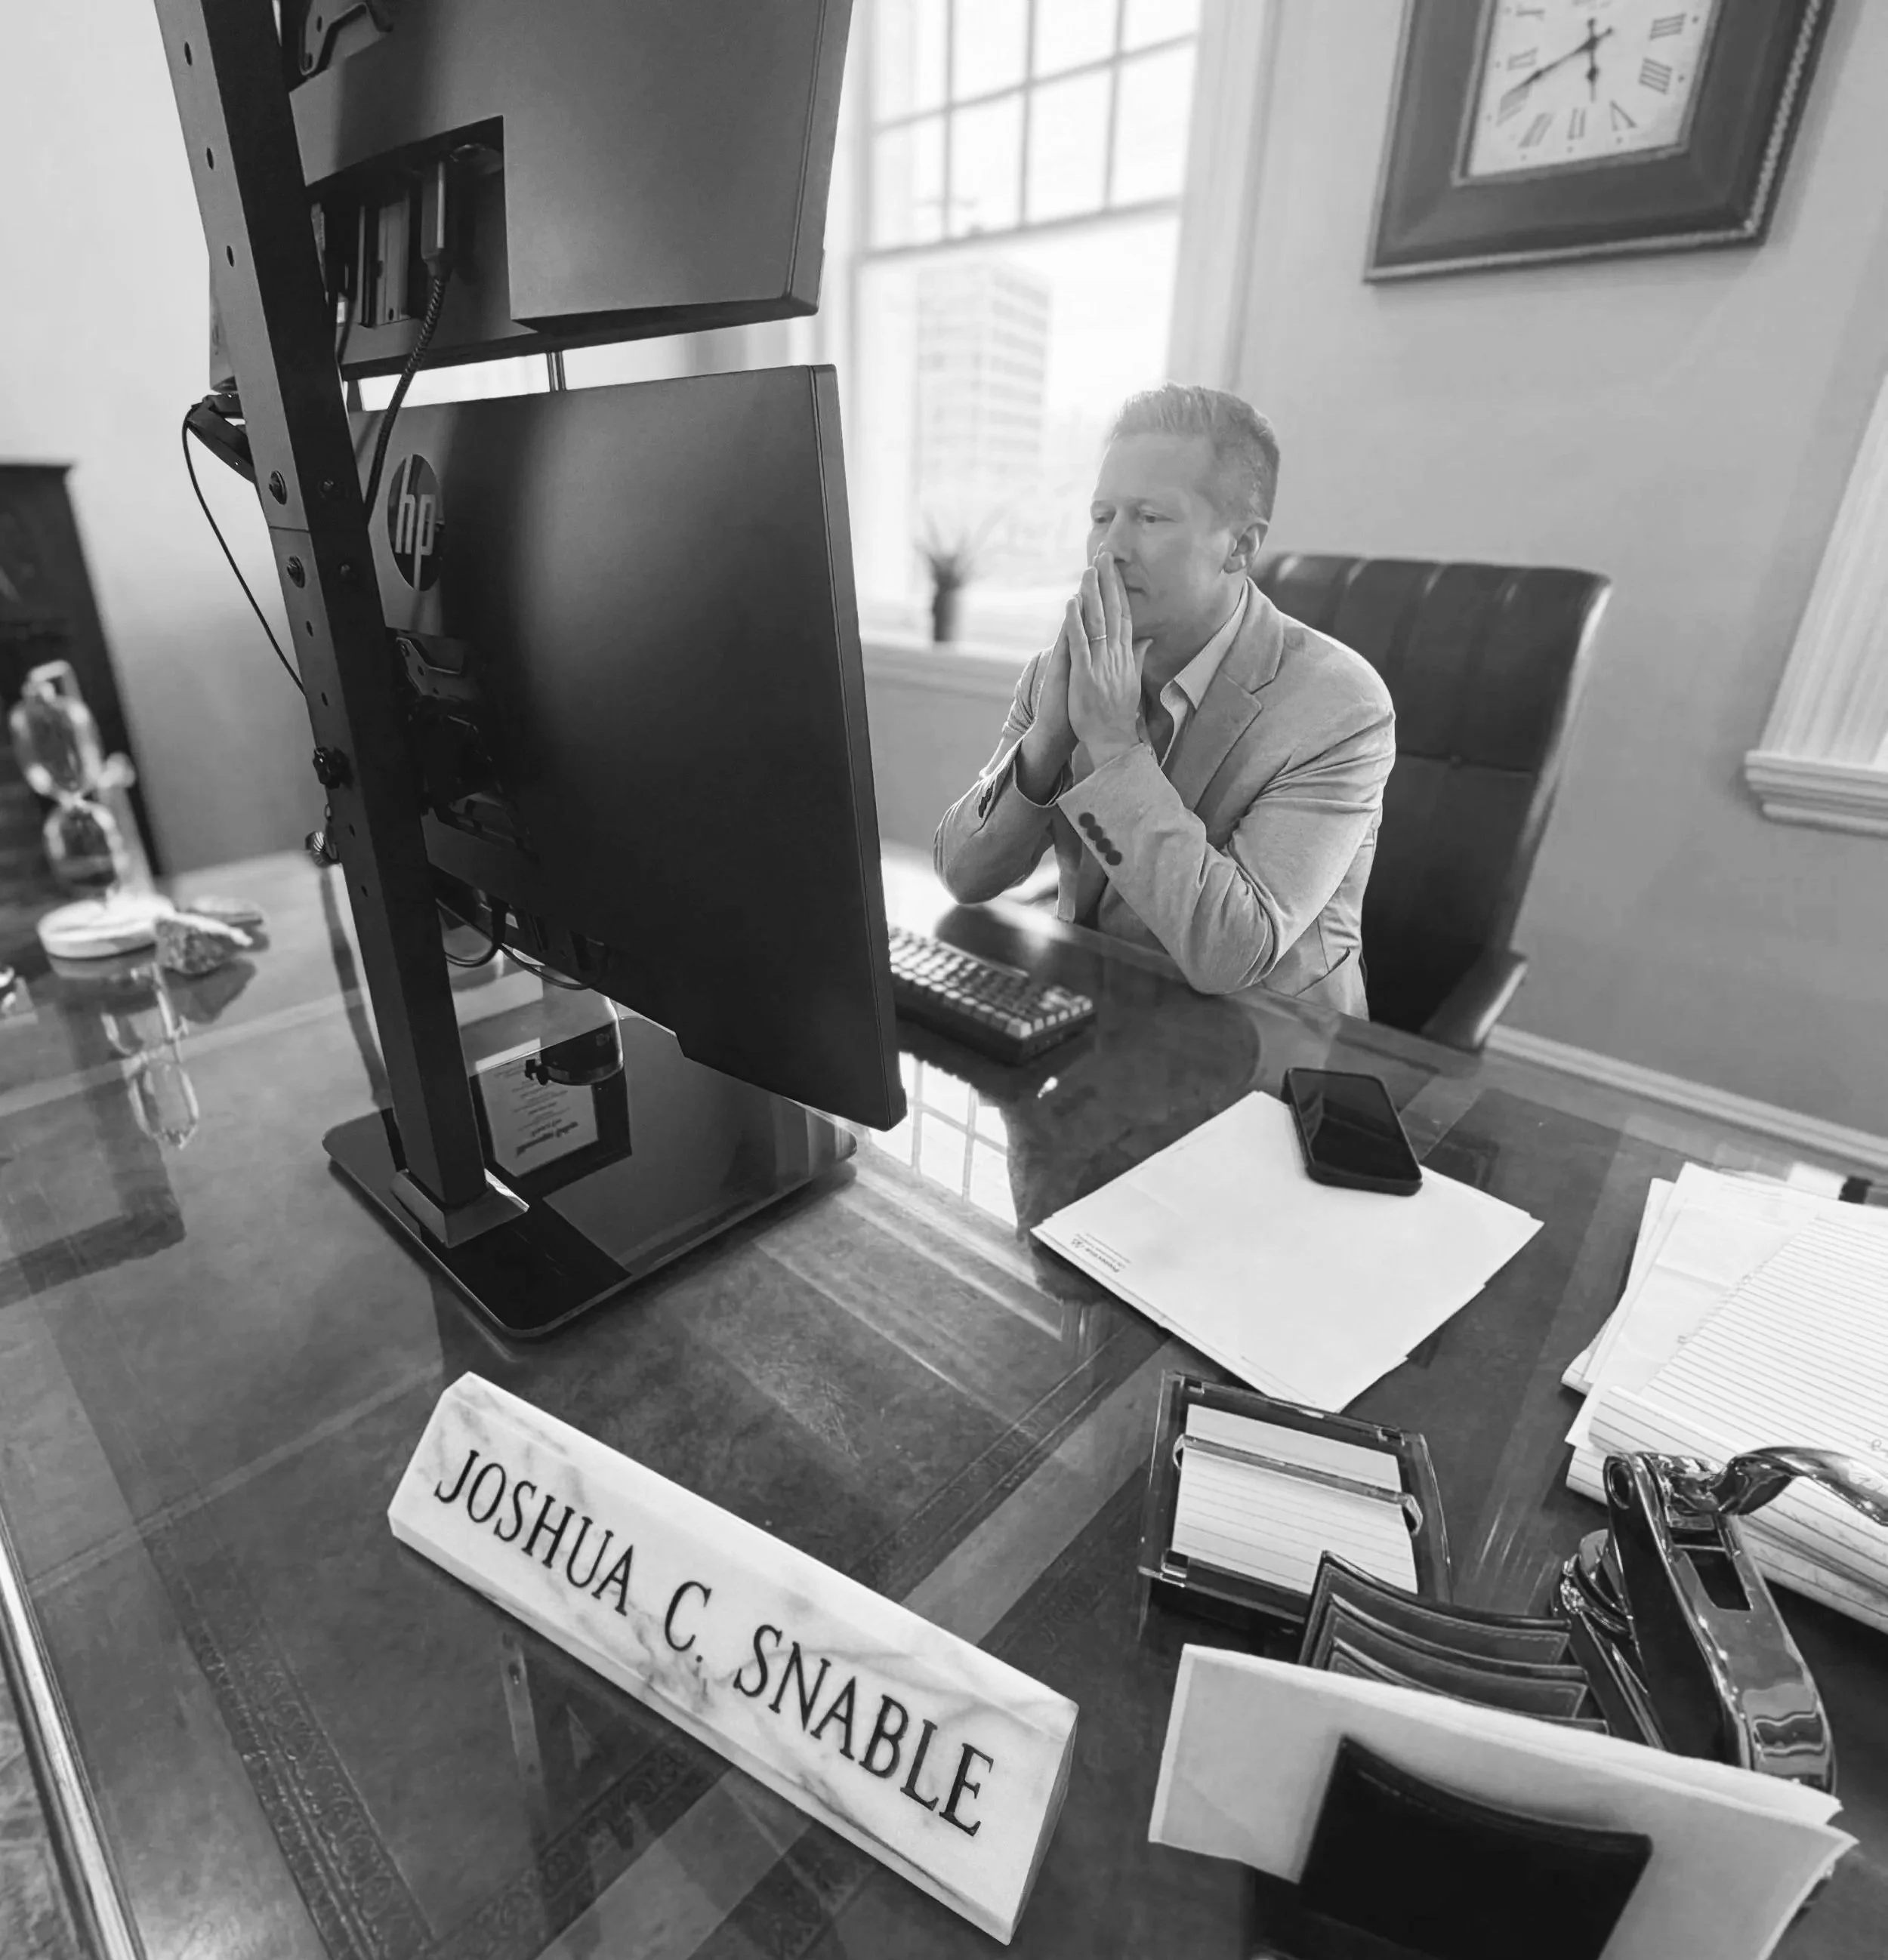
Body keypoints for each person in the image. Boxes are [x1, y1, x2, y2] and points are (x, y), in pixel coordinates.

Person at [933, 385, 1393, 1014]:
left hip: (1272, 1040)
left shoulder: (1340, 709)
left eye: (1150, 518)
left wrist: (1112, 744)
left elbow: (1233, 952)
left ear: (1241, 546)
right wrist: (1047, 742)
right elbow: (963, 873)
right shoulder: (1063, 670)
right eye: (1102, 516)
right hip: (1098, 1011)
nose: (1111, 548)